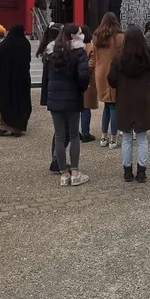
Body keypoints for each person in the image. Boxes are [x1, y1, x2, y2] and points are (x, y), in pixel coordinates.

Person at [107, 25, 150, 183]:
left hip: (125, 100)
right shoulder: (149, 57)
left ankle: (127, 171)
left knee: (127, 138)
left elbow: (112, 80)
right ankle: (141, 171)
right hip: (144, 100)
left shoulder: (119, 58)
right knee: (142, 138)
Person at [46, 24, 91, 186]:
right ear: (73, 35)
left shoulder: (52, 51)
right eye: (79, 32)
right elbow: (84, 74)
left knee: (59, 136)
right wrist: (81, 88)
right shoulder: (79, 51)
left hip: (54, 97)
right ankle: (75, 172)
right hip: (72, 97)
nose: (81, 34)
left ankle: (64, 174)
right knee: (73, 135)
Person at [91, 12, 125, 149]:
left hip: (100, 73)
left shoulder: (97, 37)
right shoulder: (120, 37)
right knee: (114, 105)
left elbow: (94, 57)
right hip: (114, 73)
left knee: (106, 105)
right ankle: (113, 138)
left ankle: (103, 136)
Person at [0, 25, 33, 137]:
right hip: (22, 78)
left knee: (6, 101)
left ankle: (5, 126)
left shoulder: (5, 45)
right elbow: (28, 60)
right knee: (21, 102)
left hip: (6, 79)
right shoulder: (25, 44)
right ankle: (18, 127)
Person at [38, 25, 62, 172]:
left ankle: (56, 160)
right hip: (59, 95)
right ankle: (57, 161)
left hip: (53, 95)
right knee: (62, 132)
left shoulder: (47, 52)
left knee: (59, 131)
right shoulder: (54, 53)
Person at [79, 26, 96, 142]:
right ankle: (85, 133)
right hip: (88, 79)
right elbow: (92, 63)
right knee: (86, 107)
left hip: (75, 78)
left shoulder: (75, 46)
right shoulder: (91, 47)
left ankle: (76, 132)